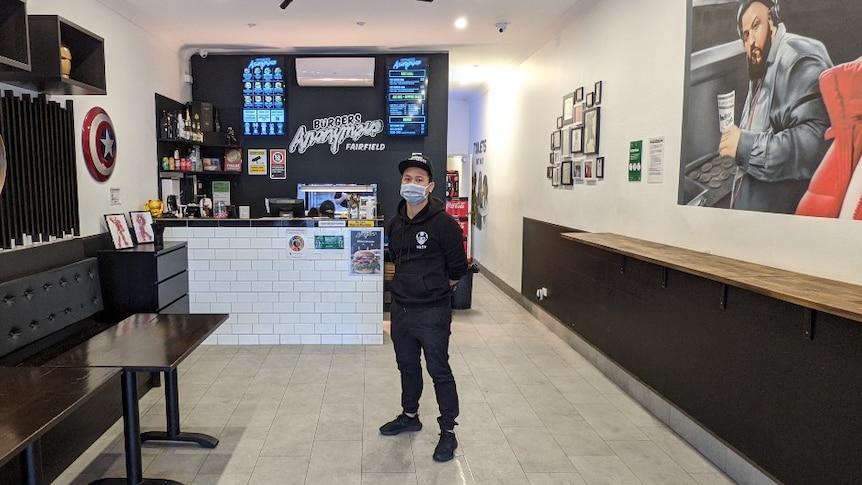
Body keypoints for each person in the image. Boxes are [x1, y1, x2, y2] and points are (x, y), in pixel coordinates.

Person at [380, 154, 468, 463]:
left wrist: (434, 289)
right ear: (401, 183)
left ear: (430, 186)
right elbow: (396, 258)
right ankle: (410, 415)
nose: (412, 184)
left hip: (432, 312)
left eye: (419, 180)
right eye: (407, 179)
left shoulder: (444, 223)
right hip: (401, 309)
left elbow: (458, 269)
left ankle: (448, 432)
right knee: (407, 366)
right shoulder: (395, 222)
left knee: (439, 371)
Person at [719, 0, 833, 213]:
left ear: (772, 19)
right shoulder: (761, 64)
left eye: (755, 26)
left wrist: (743, 145)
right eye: (745, 35)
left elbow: (815, 143)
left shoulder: (798, 57)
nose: (751, 41)